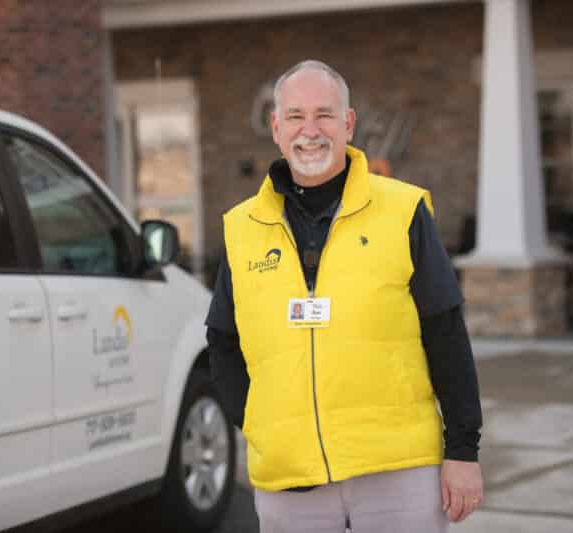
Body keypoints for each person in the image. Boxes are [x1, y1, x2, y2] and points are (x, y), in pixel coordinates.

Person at [206, 59, 483, 533]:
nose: (309, 131)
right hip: (291, 481)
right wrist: (259, 425)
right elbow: (222, 340)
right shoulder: (241, 227)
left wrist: (462, 450)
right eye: (295, 116)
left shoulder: (403, 210)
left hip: (398, 471)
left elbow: (446, 331)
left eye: (324, 115)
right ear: (276, 127)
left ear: (348, 124)